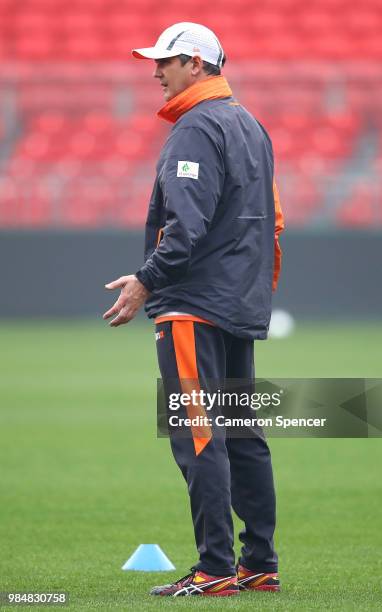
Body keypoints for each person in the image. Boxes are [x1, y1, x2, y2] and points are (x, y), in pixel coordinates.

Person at [103, 22, 284, 597]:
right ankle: (259, 562)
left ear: (197, 65)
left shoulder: (196, 127)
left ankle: (214, 569)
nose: (155, 72)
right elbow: (273, 222)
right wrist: (255, 292)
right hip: (237, 302)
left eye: (165, 62)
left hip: (195, 307)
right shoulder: (251, 126)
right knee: (243, 432)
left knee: (200, 435)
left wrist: (145, 283)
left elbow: (184, 229)